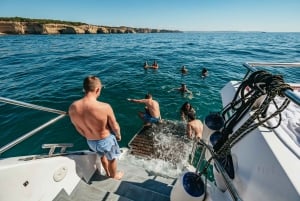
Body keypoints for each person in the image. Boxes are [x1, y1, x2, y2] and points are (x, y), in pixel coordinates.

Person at [68, 75, 123, 180]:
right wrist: (118, 135)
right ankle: (113, 176)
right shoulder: (104, 107)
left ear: (84, 88)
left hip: (91, 142)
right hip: (105, 140)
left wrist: (87, 135)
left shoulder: (73, 107)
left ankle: (107, 171)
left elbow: (78, 127)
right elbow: (115, 126)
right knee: (112, 159)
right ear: (97, 89)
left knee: (102, 156)